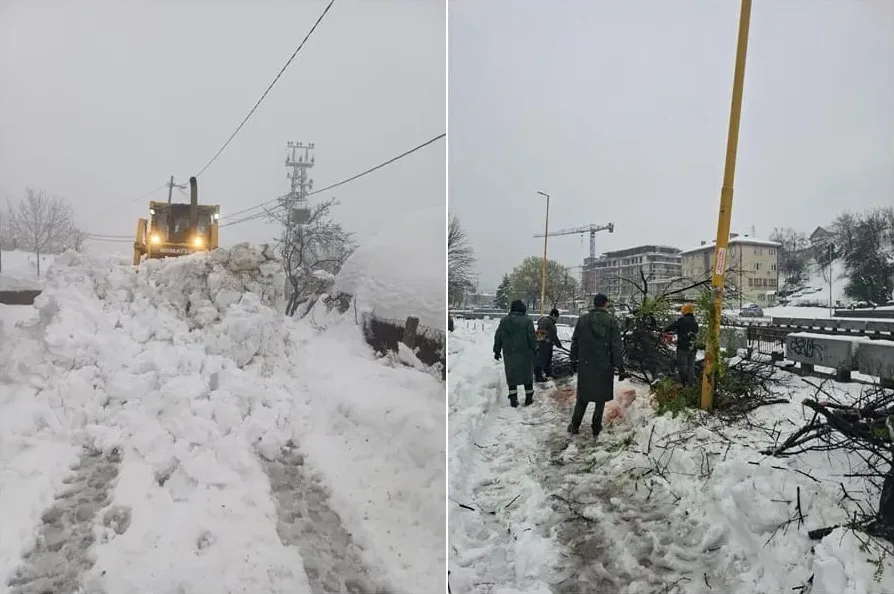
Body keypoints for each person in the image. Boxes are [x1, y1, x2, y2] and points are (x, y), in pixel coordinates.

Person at [568, 294, 628, 436]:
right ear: (605, 304)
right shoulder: (611, 322)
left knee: (583, 397)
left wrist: (573, 360)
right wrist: (620, 366)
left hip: (586, 364)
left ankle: (575, 425)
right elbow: (616, 347)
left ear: (594, 304)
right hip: (604, 365)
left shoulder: (582, 320)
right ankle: (596, 426)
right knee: (600, 398)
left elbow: (575, 341)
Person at [493, 299, 537, 407]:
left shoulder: (504, 321)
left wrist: (497, 350)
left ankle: (513, 399)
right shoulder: (527, 321)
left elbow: (498, 336)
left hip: (510, 354)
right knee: (527, 376)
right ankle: (529, 398)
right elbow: (532, 337)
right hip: (525, 353)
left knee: (511, 376)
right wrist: (535, 348)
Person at [663, 303, 700, 386]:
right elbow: (694, 332)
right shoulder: (695, 322)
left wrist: (665, 330)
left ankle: (684, 385)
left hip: (683, 347)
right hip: (693, 348)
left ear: (684, 310)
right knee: (691, 368)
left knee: (683, 367)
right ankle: (690, 386)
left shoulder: (682, 320)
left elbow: (671, 327)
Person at [534, 308, 562, 382]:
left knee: (548, 360)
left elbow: (554, 335)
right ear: (553, 315)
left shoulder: (552, 324)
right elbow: (539, 332)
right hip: (542, 345)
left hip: (548, 345)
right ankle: (538, 376)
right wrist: (545, 339)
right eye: (556, 317)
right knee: (540, 360)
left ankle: (548, 373)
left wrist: (558, 344)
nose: (556, 319)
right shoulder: (546, 321)